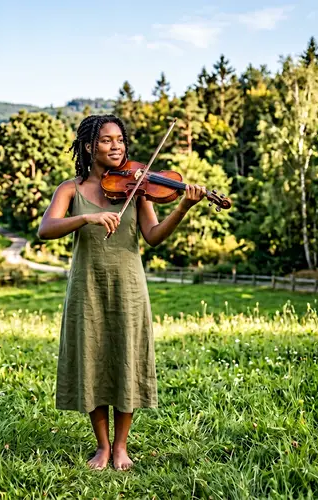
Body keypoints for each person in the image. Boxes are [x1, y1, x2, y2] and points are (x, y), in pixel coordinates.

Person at [37, 114, 206, 471]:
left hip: (129, 286)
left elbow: (154, 236)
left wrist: (183, 207)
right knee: (92, 360)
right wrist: (86, 219)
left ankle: (121, 447)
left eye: (120, 140)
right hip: (87, 287)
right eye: (106, 140)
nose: (116, 147)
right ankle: (101, 446)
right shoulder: (70, 189)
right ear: (88, 147)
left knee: (126, 358)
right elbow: (46, 229)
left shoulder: (138, 186)